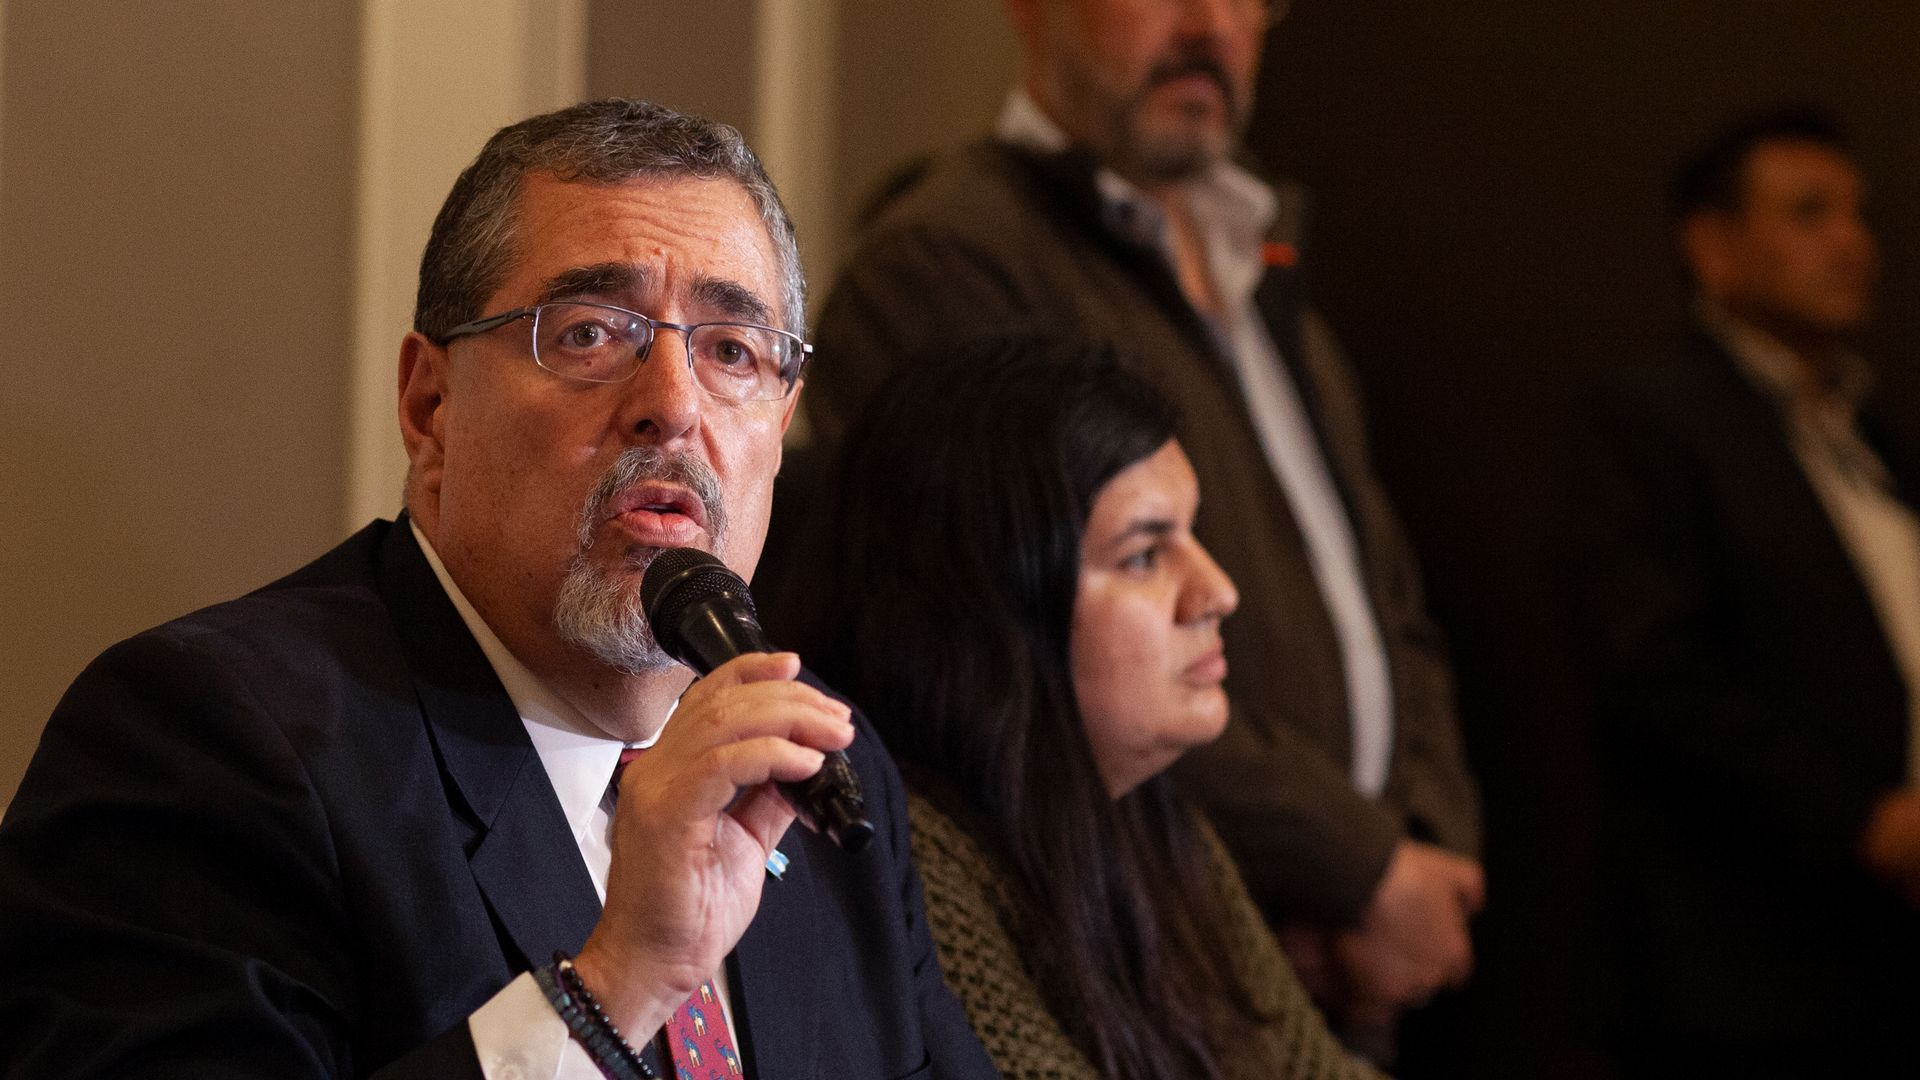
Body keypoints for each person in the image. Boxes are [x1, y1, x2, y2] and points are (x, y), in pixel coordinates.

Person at [0, 99, 998, 1079]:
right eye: (588, 335)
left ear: (782, 428)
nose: (672, 406)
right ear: (430, 406)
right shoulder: (210, 740)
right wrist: (616, 987)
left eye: (732, 351)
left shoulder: (813, 761)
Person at [797, 0, 1482, 1043]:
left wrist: (1422, 845)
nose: (1211, 23)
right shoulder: (947, 259)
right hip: (1140, 946)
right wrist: (1359, 869)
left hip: (1332, 960)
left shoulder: (1262, 273)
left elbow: (1389, 607)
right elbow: (1009, 648)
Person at [790, 334, 1385, 1080]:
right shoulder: (918, 865)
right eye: (1143, 555)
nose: (1218, 592)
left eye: (1191, 535)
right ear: (996, 610)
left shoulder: (1154, 822)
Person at [1568, 106, 1920, 1073]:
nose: (1853, 243)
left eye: (1859, 215)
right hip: (1747, 963)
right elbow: (1654, 672)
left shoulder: (1873, 427)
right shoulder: (1647, 419)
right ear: (1714, 248)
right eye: (1810, 214)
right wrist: (1864, 818)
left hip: (1888, 959)